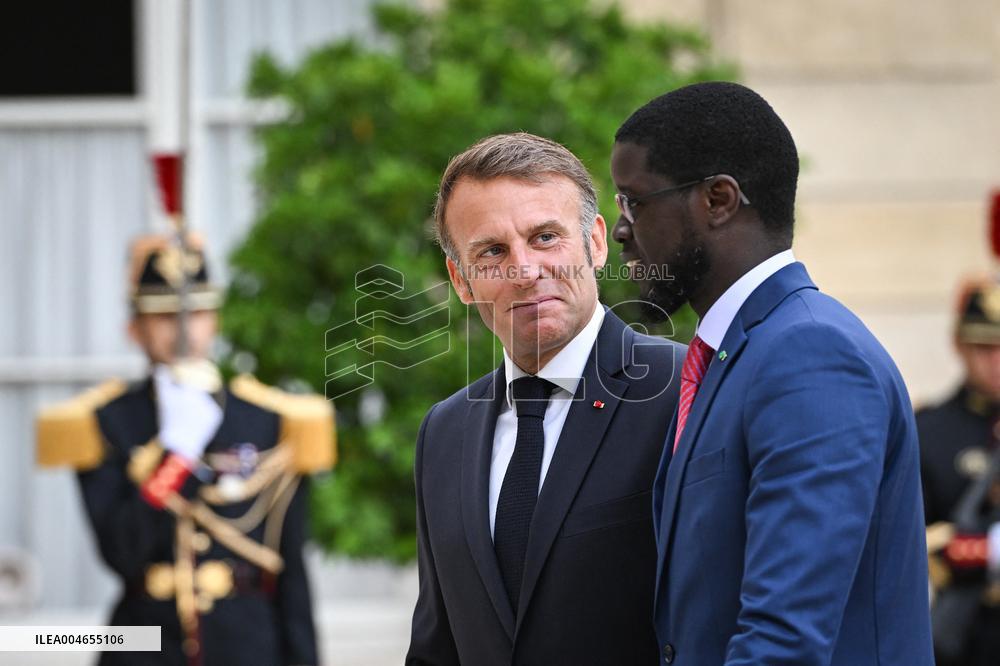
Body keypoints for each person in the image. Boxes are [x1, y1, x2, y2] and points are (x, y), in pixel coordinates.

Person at [609, 81, 933, 665]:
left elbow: (784, 641)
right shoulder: (738, 353)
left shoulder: (809, 354)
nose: (620, 230)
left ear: (718, 200)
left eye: (635, 201)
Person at [405, 133, 684, 665]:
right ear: (460, 280)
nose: (526, 271)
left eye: (546, 237)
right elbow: (436, 647)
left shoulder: (683, 390)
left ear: (596, 243)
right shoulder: (444, 432)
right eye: (491, 252)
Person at [36, 234, 335, 666]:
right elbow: (122, 552)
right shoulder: (108, 420)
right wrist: (178, 456)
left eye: (195, 312)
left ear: (215, 319)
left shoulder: (267, 419)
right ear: (133, 329)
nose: (182, 329)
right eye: (162, 316)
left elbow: (290, 573)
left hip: (249, 646)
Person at [918, 276, 1000, 666]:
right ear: (960, 345)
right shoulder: (930, 431)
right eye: (986, 347)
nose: (998, 361)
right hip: (967, 637)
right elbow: (913, 540)